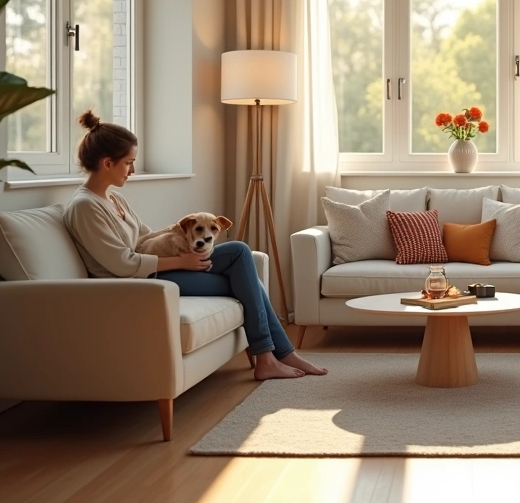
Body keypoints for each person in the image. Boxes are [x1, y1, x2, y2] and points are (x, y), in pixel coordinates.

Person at [63, 110, 326, 381]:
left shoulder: (114, 199)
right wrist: (182, 262)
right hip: (138, 283)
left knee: (239, 252)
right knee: (249, 282)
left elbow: (143, 239)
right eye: (128, 163)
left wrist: (183, 230)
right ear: (107, 163)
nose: (132, 170)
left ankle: (274, 356)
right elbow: (122, 264)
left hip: (154, 270)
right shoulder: (85, 207)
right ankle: (274, 356)